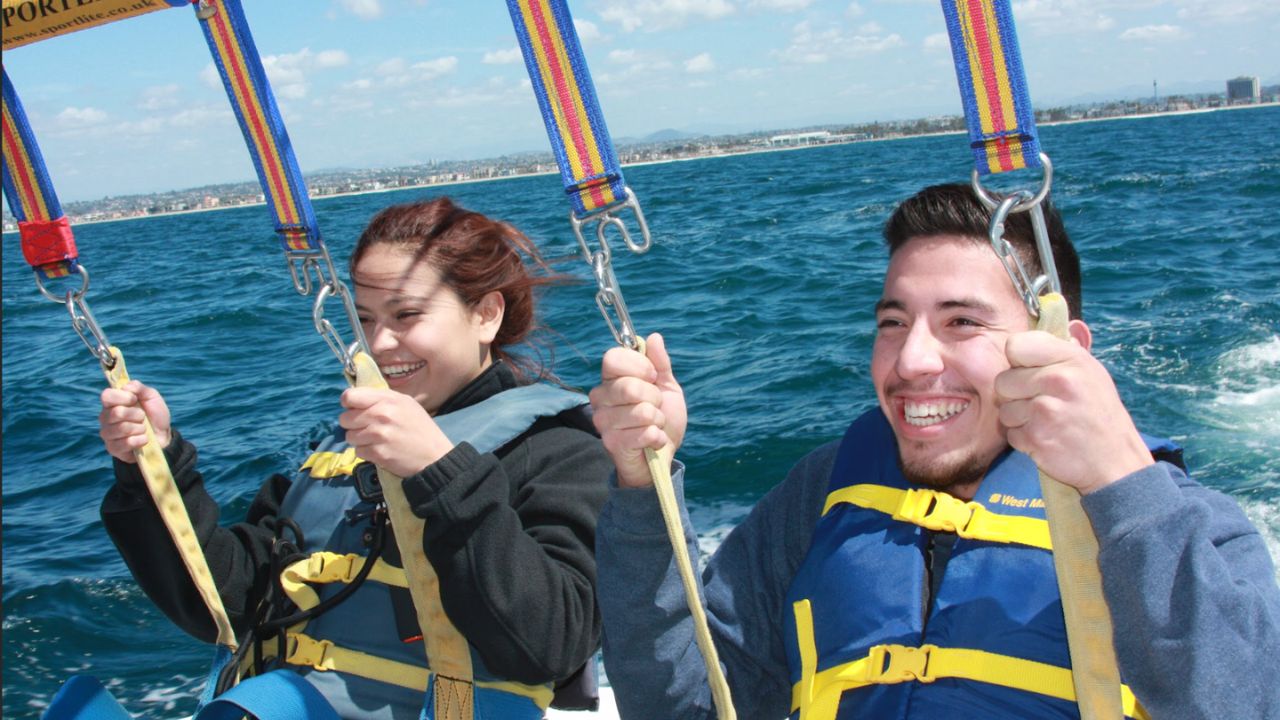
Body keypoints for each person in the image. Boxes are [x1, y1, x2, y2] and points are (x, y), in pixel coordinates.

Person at [588, 183, 1280, 720]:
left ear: (1062, 348)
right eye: (893, 322)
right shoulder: (822, 496)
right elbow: (679, 704)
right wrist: (641, 482)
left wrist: (1124, 485)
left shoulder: (1187, 529)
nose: (912, 359)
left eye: (961, 323)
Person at [98, 198, 612, 720]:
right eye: (363, 319)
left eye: (407, 315)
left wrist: (440, 472)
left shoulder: (559, 450)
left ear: (486, 314)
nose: (378, 344)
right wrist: (156, 469)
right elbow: (226, 606)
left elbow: (554, 642)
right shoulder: (342, 450)